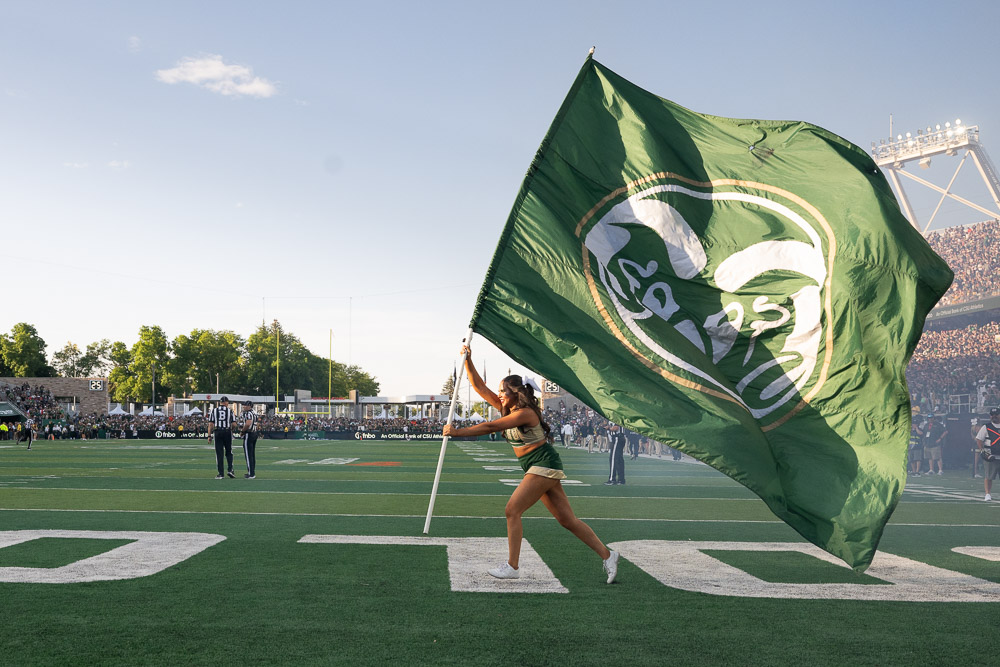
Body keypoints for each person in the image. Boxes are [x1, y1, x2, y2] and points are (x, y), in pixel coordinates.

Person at [442, 345, 619, 584]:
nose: (500, 394)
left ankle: (512, 566)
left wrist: (457, 432)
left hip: (543, 463)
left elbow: (492, 427)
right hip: (536, 466)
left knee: (512, 510)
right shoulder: (508, 408)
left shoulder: (525, 413)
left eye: (503, 391)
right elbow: (479, 387)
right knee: (567, 521)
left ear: (515, 392)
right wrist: (468, 361)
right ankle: (608, 555)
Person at [207, 397, 236, 479]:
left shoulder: (214, 411)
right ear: (226, 402)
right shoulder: (230, 411)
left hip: (218, 432)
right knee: (229, 451)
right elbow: (234, 424)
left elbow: (210, 425)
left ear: (220, 402)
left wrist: (209, 436)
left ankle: (221, 473)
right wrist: (231, 430)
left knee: (219, 453)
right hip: (227, 432)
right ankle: (230, 469)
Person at [975, 407, 1000, 501]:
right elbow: (979, 439)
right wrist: (983, 451)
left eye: (996, 415)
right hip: (990, 456)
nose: (994, 417)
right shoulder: (986, 427)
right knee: (989, 476)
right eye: (992, 415)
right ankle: (987, 494)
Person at [240, 400, 259, 479]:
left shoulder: (248, 413)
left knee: (248, 454)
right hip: (254, 433)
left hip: (249, 433)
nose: (244, 406)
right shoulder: (254, 412)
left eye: (246, 405)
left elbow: (248, 423)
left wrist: (242, 431)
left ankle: (251, 473)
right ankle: (252, 471)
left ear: (250, 406)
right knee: (252, 454)